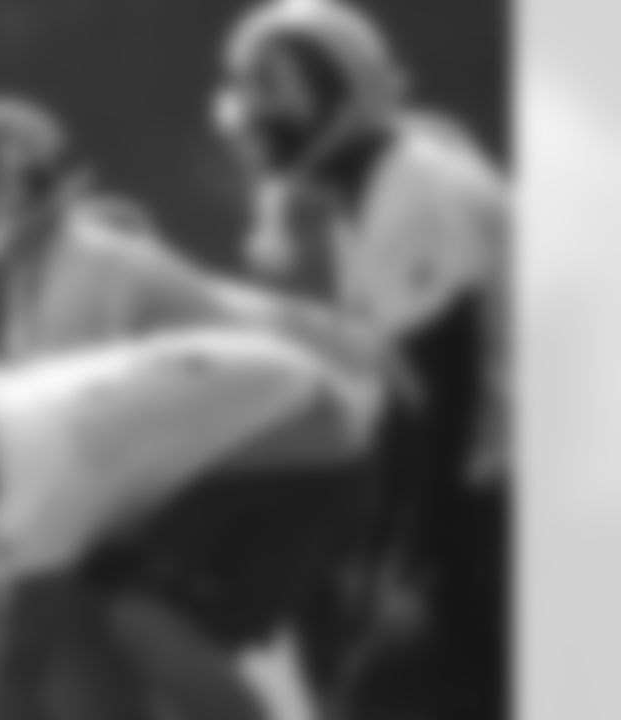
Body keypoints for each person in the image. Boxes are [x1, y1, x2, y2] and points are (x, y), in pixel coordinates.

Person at [0, 93, 400, 720]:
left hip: (288, 444)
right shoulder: (45, 270)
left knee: (132, 617)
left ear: (27, 187)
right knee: (90, 609)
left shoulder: (87, 272)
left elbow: (85, 461)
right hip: (252, 444)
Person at [210, 1, 509, 717]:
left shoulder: (407, 191)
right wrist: (381, 546)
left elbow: (447, 394)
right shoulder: (382, 180)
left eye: (274, 91)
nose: (256, 117)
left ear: (336, 92)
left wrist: (409, 555)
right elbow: (410, 394)